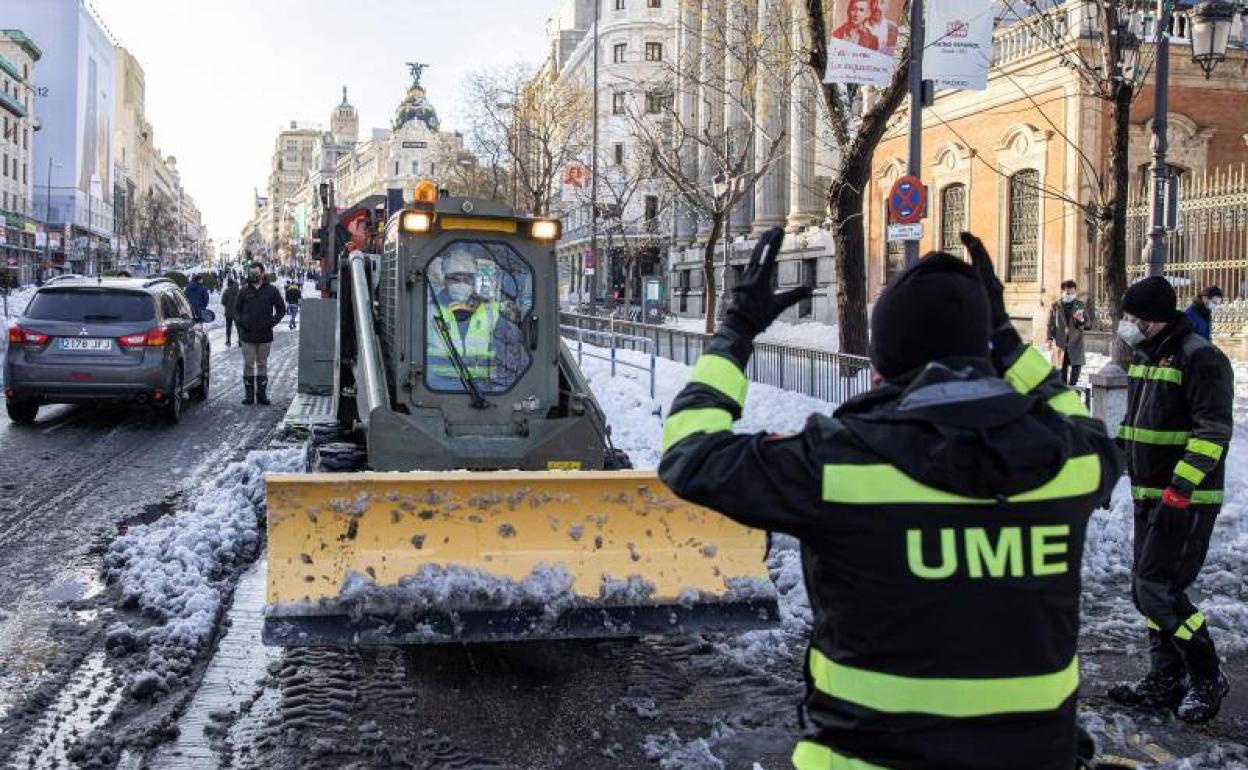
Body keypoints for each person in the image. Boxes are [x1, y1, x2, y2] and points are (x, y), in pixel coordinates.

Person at [658, 228, 1120, 770]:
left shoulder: (839, 464)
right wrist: (1006, 339)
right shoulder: (1071, 462)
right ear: (986, 353)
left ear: (882, 367)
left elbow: (690, 453)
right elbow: (1076, 417)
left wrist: (737, 330)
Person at [1107, 276, 1233, 724]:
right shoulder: (1147, 357)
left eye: (1131, 317)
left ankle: (1205, 674)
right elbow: (1134, 426)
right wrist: (1110, 472)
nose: (1126, 324)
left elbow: (1212, 431)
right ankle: (1165, 676)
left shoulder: (1201, 359)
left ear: (1153, 319)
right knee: (1147, 592)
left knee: (1157, 591)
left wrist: (1180, 489)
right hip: (1149, 497)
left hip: (1185, 500)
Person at [425, 251, 524, 392]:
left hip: (486, 388)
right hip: (436, 387)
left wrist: (520, 319)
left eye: (467, 278)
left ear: (474, 280)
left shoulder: (492, 312)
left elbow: (515, 348)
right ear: (445, 279)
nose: (462, 283)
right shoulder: (429, 312)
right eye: (455, 278)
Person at [234, 262, 286, 405]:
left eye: (256, 273)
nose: (253, 276)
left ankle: (261, 395)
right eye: (251, 274)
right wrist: (241, 322)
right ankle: (249, 396)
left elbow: (281, 309)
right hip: (247, 335)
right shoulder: (244, 291)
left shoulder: (272, 291)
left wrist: (272, 322)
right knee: (248, 364)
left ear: (262, 274)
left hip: (264, 335)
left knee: (262, 364)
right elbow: (236, 310)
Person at [1046, 279, 1090, 386]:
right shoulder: (1055, 305)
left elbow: (1087, 324)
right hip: (1060, 343)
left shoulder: (1080, 305)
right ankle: (1063, 389)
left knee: (1076, 368)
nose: (1070, 294)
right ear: (1062, 291)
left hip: (1076, 342)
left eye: (1072, 292)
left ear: (1075, 291)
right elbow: (1050, 323)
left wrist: (1081, 320)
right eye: (1067, 292)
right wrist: (1049, 338)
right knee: (1061, 369)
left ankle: (1073, 388)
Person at [221, 278, 240, 347]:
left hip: (228, 312)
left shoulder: (226, 291)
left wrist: (227, 305)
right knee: (238, 327)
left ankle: (228, 341)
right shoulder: (238, 291)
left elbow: (223, 302)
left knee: (228, 327)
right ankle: (240, 340)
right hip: (236, 312)